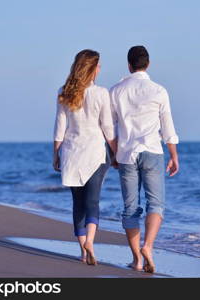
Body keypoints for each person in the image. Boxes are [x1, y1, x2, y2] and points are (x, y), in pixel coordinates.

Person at [109, 45, 179, 273]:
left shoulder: (116, 90)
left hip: (126, 153)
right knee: (156, 203)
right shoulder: (159, 90)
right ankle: (148, 246)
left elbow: (110, 127)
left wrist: (113, 153)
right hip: (152, 151)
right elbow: (167, 125)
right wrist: (174, 155)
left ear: (129, 65)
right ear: (148, 64)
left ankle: (137, 259)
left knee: (130, 208)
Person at [53, 49, 117, 266]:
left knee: (78, 203)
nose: (100, 69)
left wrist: (55, 154)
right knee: (93, 201)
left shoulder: (64, 92)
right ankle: (90, 241)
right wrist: (116, 152)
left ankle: (82, 251)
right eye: (98, 66)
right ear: (92, 69)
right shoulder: (101, 93)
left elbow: (60, 128)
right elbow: (108, 128)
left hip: (71, 153)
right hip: (95, 154)